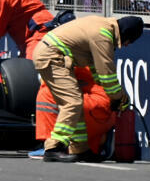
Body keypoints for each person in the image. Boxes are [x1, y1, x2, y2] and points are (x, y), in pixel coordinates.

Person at [32, 15, 143, 162]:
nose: (127, 45)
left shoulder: (102, 26)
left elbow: (96, 70)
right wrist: (120, 97)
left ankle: (81, 150)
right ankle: (54, 148)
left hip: (53, 55)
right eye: (129, 41)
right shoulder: (103, 36)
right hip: (52, 57)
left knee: (77, 102)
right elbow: (107, 74)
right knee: (73, 102)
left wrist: (112, 95)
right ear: (126, 33)